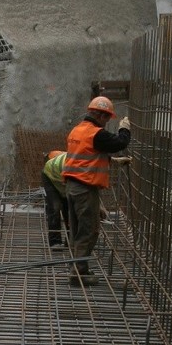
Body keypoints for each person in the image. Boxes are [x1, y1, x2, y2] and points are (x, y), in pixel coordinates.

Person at [62, 95, 131, 287]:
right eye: (107, 118)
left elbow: (87, 156)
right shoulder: (96, 133)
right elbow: (119, 143)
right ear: (100, 115)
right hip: (85, 188)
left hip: (72, 187)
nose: (107, 122)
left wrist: (112, 162)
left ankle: (78, 267)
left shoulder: (78, 130)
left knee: (77, 230)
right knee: (89, 231)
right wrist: (125, 129)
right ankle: (77, 273)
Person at [41, 149, 69, 249]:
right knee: (55, 207)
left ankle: (70, 241)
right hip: (50, 178)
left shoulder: (88, 163)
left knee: (70, 209)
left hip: (63, 180)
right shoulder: (73, 166)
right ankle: (55, 241)